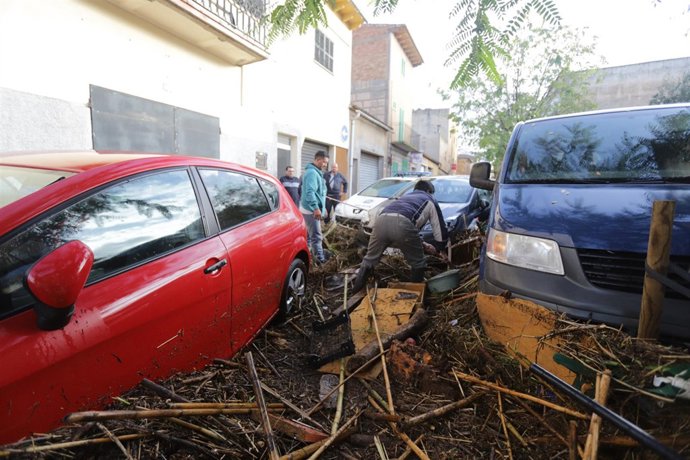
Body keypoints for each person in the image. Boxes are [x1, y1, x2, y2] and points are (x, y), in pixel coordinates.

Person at [352, 180, 448, 293]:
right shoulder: (430, 199)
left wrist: (423, 244)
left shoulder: (406, 196)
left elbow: (409, 227)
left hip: (380, 222)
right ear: (429, 191)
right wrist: (441, 248)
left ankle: (356, 291)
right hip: (402, 224)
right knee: (418, 262)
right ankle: (414, 294)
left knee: (370, 259)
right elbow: (439, 227)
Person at [299, 150, 329, 264]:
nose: (325, 165)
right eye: (324, 162)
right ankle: (320, 262)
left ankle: (308, 258)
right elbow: (310, 193)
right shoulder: (312, 173)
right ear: (317, 160)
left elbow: (319, 193)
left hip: (311, 208)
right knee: (316, 237)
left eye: (326, 163)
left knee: (308, 237)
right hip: (310, 210)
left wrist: (322, 207)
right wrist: (316, 208)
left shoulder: (316, 172)